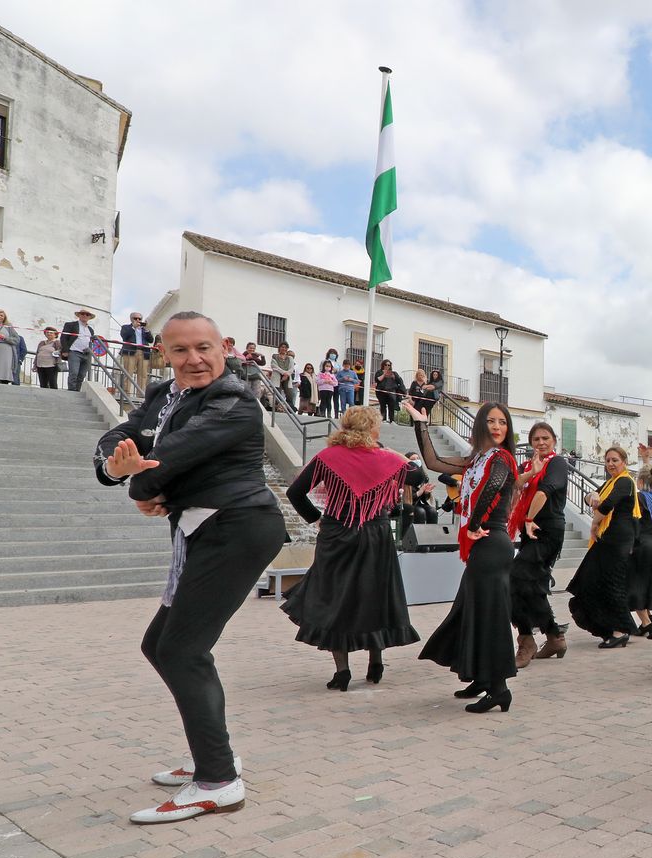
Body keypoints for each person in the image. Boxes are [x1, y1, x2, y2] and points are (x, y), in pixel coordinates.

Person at [93, 311, 285, 824]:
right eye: (180, 350)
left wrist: (141, 484)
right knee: (160, 644)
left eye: (203, 347)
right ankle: (213, 758)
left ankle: (218, 780)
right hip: (200, 529)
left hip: (239, 527)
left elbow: (165, 458)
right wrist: (117, 465)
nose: (193, 359)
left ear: (224, 346)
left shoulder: (235, 400)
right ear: (164, 352)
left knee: (182, 648)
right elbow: (122, 437)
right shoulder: (162, 394)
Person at [280, 406, 419, 689]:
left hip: (337, 532)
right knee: (374, 595)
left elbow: (295, 492)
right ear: (372, 430)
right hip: (376, 534)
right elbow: (418, 476)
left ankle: (342, 672)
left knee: (335, 598)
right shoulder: (385, 459)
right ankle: (375, 663)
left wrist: (317, 519)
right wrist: (393, 453)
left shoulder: (327, 457)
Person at [405, 399, 520, 713]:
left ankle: (499, 689)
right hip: (482, 541)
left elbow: (493, 488)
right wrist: (420, 423)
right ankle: (482, 677)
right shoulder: (476, 459)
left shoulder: (501, 458)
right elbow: (433, 460)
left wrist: (477, 523)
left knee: (490, 614)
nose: (498, 427)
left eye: (503, 422)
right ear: (481, 424)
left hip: (490, 540)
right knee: (471, 610)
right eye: (493, 421)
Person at [510, 423, 571, 667]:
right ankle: (554, 636)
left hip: (548, 531)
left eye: (545, 438)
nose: (541, 442)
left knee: (514, 578)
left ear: (554, 440)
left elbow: (546, 491)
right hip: (528, 531)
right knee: (532, 586)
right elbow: (515, 490)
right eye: (536, 439)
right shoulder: (526, 466)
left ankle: (526, 639)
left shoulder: (557, 463)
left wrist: (528, 519)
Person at [567, 446, 640, 648]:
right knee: (591, 580)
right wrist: (592, 496)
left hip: (617, 540)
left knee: (611, 583)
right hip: (607, 540)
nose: (610, 464)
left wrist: (594, 520)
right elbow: (589, 498)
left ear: (624, 462)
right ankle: (616, 628)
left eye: (615, 460)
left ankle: (619, 630)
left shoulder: (625, 481)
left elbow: (608, 504)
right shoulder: (611, 482)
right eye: (607, 460)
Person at [625, 465, 652, 637]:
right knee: (648, 583)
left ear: (641, 481)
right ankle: (648, 618)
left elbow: (632, 522)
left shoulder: (639, 498)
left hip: (640, 545)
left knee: (633, 584)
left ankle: (646, 622)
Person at [60, 308, 98, 391]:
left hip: (87, 354)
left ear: (89, 317)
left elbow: (91, 341)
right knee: (74, 373)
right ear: (79, 315)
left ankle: (76, 391)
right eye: (83, 314)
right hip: (74, 352)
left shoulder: (91, 329)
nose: (85, 315)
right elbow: (63, 338)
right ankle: (72, 392)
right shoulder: (70, 325)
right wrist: (65, 350)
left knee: (81, 375)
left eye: (87, 314)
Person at [119, 313, 152, 393]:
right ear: (131, 319)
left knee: (143, 374)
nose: (138, 320)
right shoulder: (126, 327)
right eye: (135, 318)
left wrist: (147, 329)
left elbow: (151, 340)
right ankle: (126, 392)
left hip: (143, 352)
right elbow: (124, 336)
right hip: (130, 352)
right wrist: (133, 327)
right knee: (128, 372)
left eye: (139, 319)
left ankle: (140, 393)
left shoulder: (144, 330)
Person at [269, 342, 296, 408]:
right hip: (277, 376)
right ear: (279, 348)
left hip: (287, 377)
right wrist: (284, 373)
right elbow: (274, 366)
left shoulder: (290, 358)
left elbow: (291, 368)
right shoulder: (275, 356)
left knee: (290, 394)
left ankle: (289, 408)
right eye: (282, 347)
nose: (283, 348)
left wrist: (287, 375)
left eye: (285, 347)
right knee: (277, 393)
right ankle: (277, 407)